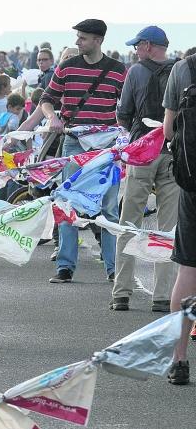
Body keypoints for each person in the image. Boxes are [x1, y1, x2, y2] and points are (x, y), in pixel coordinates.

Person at [40, 19, 127, 284]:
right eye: (78, 37)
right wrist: (52, 117)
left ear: (98, 40)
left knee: (109, 209)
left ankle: (114, 269)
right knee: (69, 204)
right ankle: (65, 267)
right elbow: (47, 99)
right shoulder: (66, 67)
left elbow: (126, 107)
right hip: (74, 143)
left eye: (83, 38)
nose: (77, 42)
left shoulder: (117, 70)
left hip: (107, 147)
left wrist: (122, 132)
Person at [112, 26, 178, 313]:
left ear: (149, 46)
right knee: (169, 227)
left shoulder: (136, 72)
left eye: (138, 45)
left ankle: (121, 292)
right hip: (174, 153)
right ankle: (162, 294)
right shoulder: (182, 70)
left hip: (142, 153)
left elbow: (124, 113)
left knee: (129, 222)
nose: (135, 50)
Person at [165, 51, 196, 385]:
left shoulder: (184, 68)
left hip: (194, 185)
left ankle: (180, 359)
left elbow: (169, 130)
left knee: (188, 269)